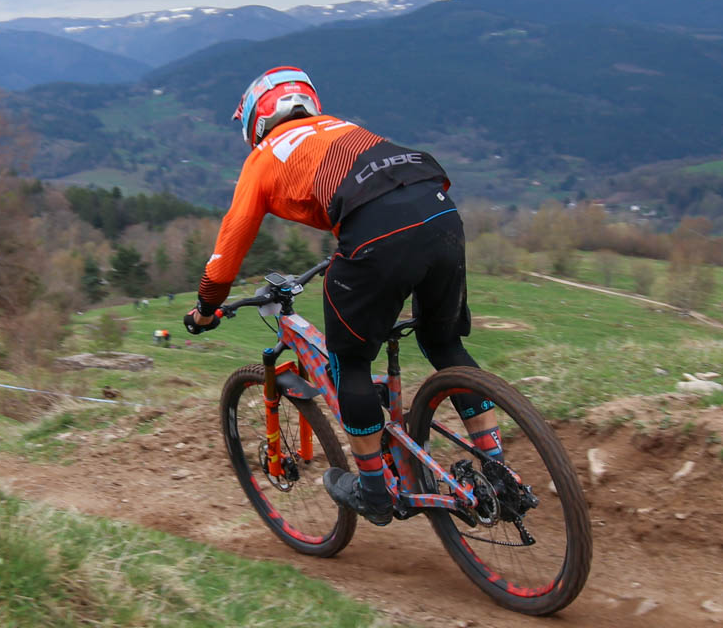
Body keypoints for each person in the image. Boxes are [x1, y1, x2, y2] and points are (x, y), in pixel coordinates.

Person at [183, 66, 500, 525]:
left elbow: (228, 249)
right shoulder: (340, 126)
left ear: (257, 118)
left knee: (349, 362)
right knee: (444, 342)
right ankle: (497, 469)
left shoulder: (263, 157)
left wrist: (206, 308)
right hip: (439, 210)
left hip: (377, 233)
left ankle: (374, 492)